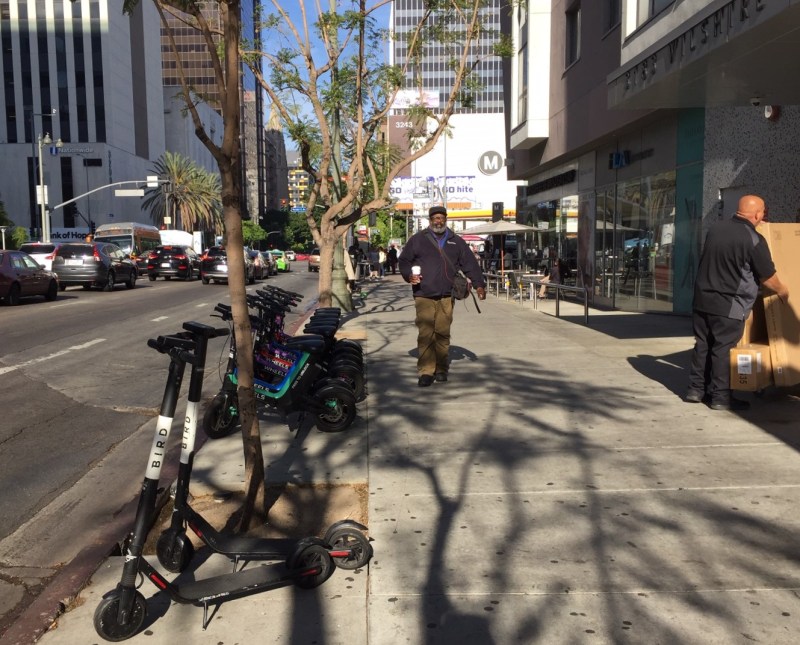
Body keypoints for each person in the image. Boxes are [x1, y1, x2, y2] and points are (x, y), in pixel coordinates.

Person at [687, 194, 789, 411]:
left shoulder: (716, 229)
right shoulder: (753, 239)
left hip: (702, 299)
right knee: (723, 349)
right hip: (729, 304)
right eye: (763, 212)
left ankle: (696, 390)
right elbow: (767, 277)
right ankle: (721, 397)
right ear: (758, 214)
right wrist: (784, 291)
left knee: (703, 345)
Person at [399, 205, 487, 387]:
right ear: (430, 220)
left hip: (447, 294)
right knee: (426, 333)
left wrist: (479, 285)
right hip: (423, 293)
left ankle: (441, 369)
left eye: (441, 218)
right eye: (435, 218)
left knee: (442, 333)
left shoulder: (456, 241)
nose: (438, 221)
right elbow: (404, 260)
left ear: (445, 220)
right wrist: (409, 275)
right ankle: (426, 371)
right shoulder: (418, 239)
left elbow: (470, 263)